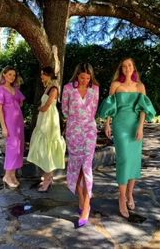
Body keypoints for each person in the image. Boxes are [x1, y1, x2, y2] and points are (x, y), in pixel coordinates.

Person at [99, 57, 156, 219]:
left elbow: (144, 109)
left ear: (134, 68)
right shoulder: (116, 85)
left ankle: (130, 194)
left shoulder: (140, 86)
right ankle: (121, 198)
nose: (127, 68)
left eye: (129, 65)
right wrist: (107, 124)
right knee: (124, 159)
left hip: (134, 126)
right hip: (120, 125)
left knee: (134, 160)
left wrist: (140, 127)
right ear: (121, 69)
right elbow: (110, 106)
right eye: (124, 66)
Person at [62, 63, 99, 228]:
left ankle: (86, 207)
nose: (85, 80)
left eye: (88, 77)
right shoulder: (68, 88)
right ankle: (81, 198)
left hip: (89, 131)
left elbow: (94, 110)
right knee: (76, 166)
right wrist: (74, 122)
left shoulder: (95, 89)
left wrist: (85, 122)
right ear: (77, 76)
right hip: (73, 132)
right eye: (82, 77)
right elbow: (64, 109)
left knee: (86, 167)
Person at [27, 66, 66, 192]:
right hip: (44, 119)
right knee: (42, 146)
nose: (41, 76)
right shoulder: (48, 87)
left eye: (43, 74)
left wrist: (39, 109)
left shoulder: (53, 88)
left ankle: (48, 178)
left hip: (49, 120)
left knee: (47, 147)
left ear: (49, 75)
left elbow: (47, 106)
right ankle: (47, 175)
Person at [0, 66, 25, 188]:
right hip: (9, 122)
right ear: (4, 74)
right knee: (12, 148)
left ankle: (13, 175)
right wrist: (4, 127)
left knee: (18, 148)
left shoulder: (15, 89)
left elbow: (21, 102)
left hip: (18, 122)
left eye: (14, 75)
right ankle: (7, 175)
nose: (12, 77)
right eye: (9, 74)